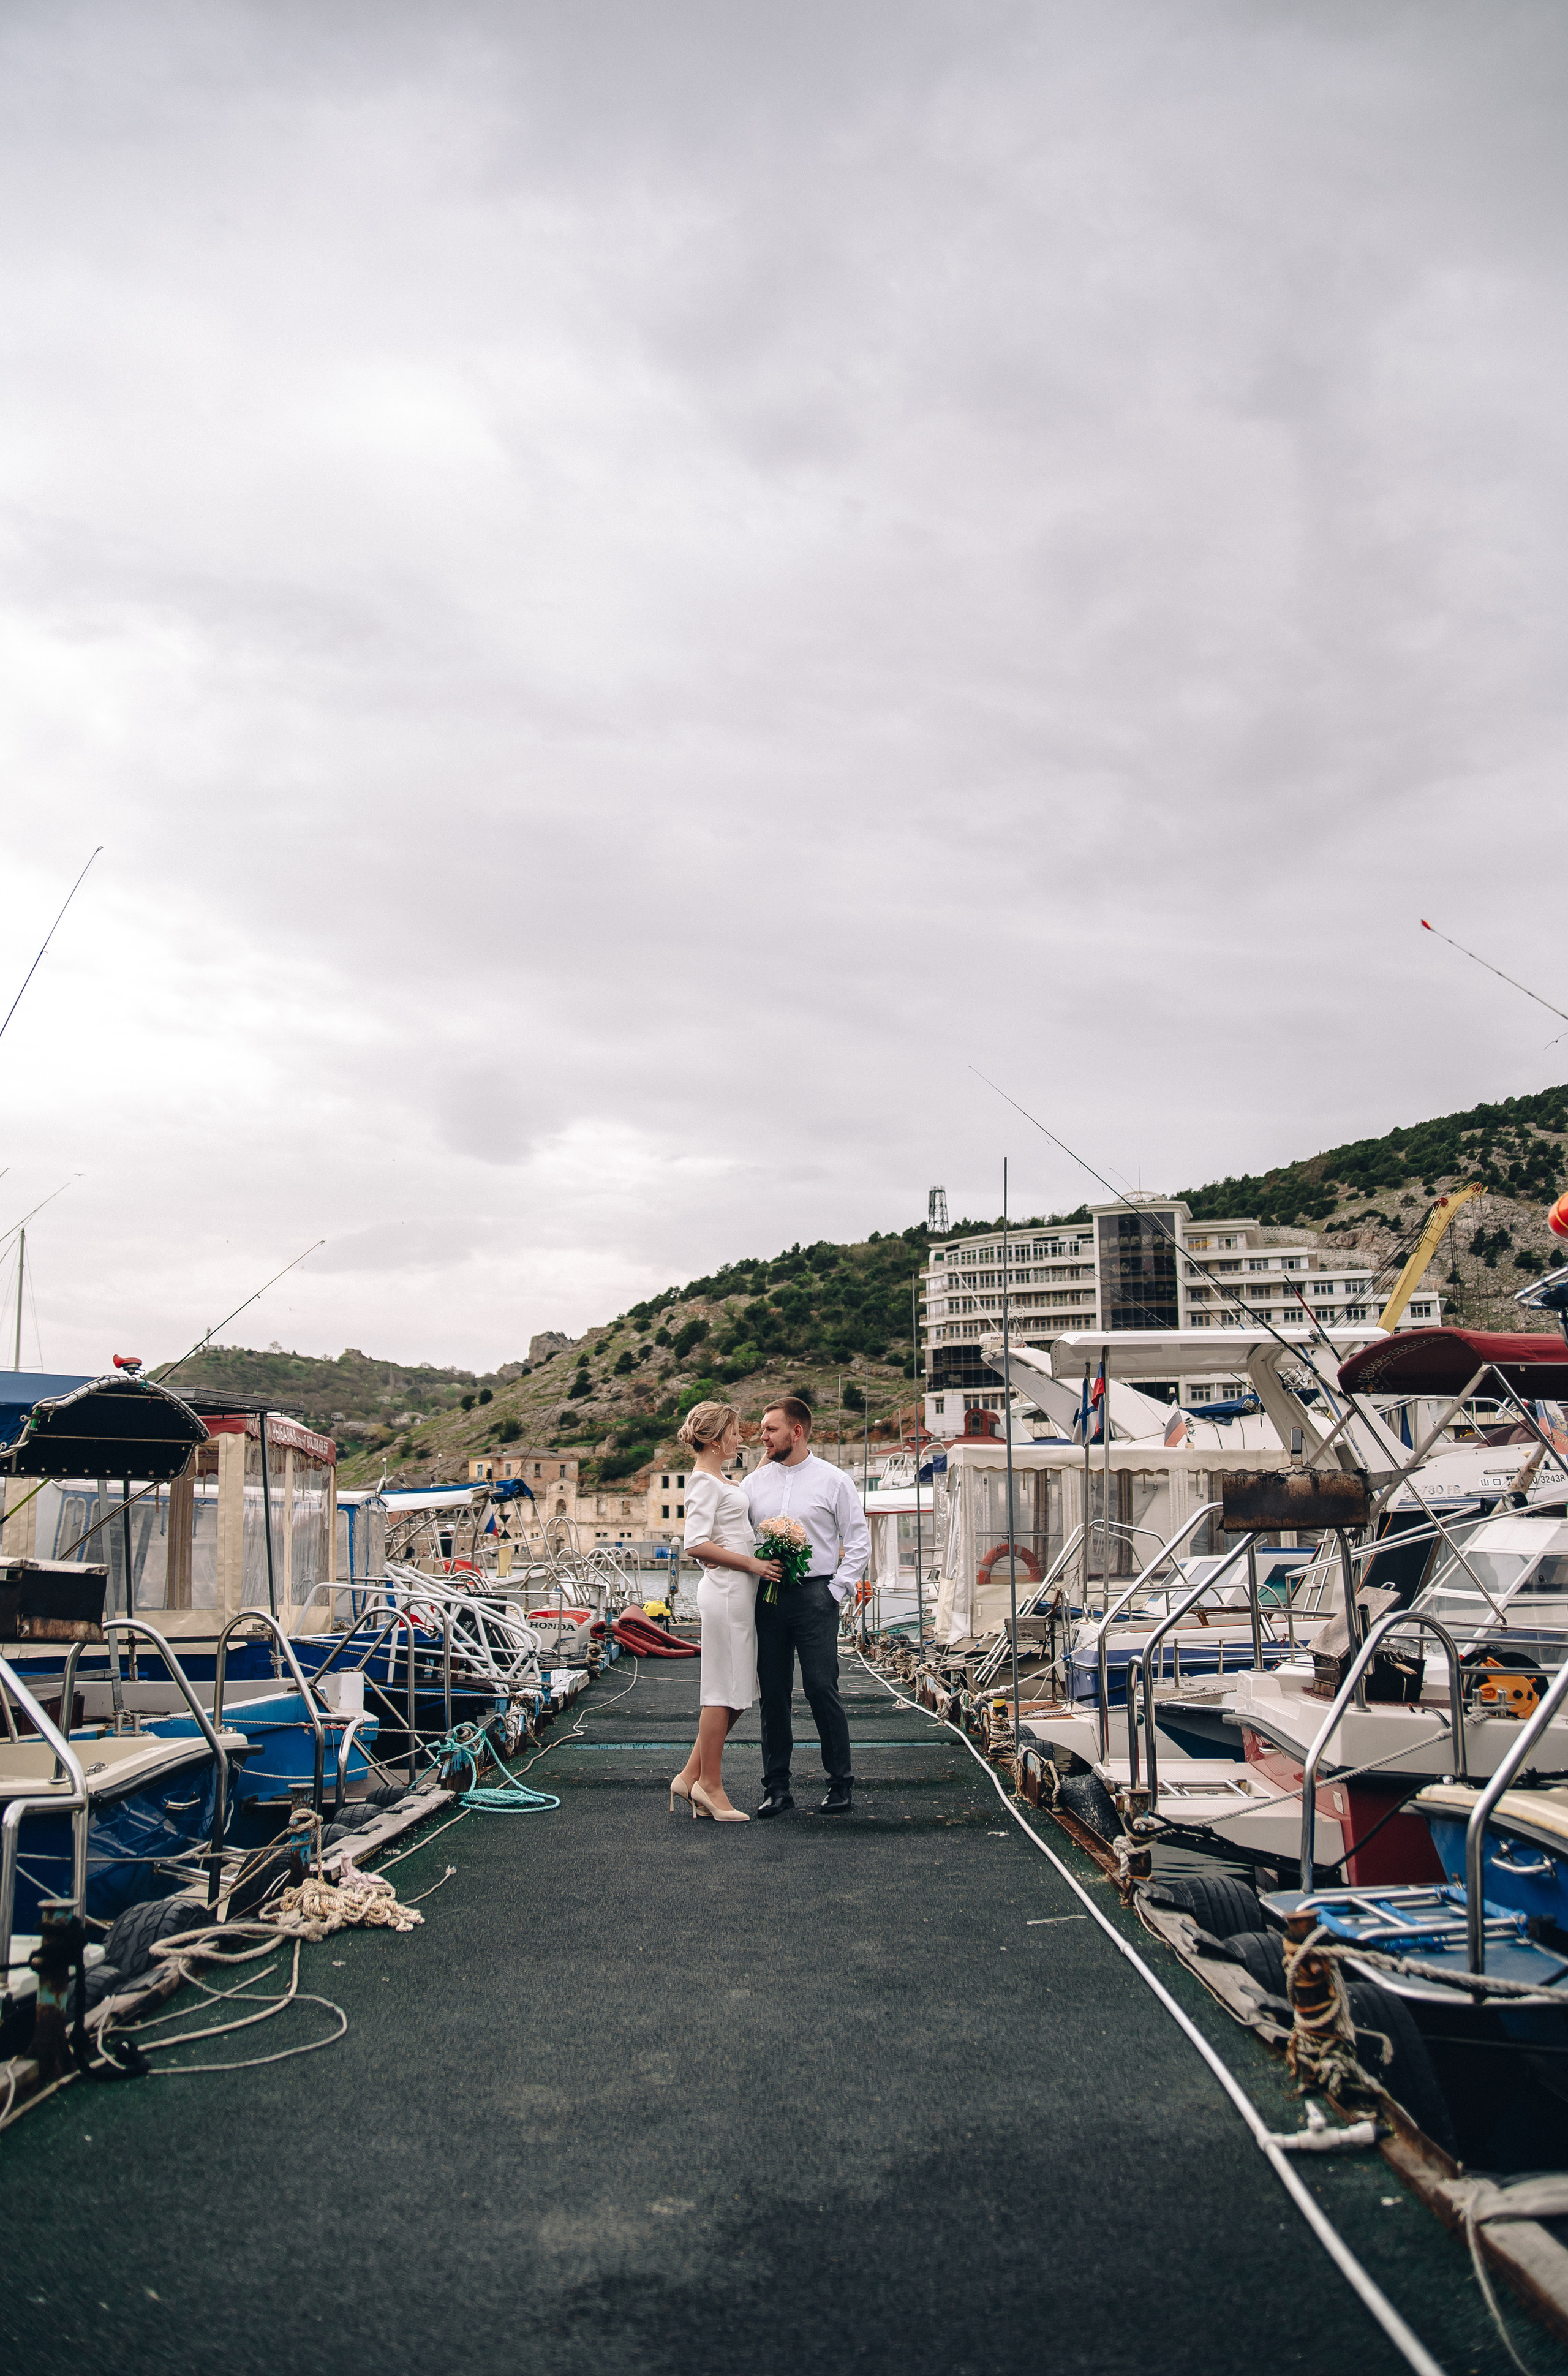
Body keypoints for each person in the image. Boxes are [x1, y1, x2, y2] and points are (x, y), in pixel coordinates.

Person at [744, 1396, 870, 1817]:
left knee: (821, 1688)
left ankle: (840, 1784)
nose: (763, 1436)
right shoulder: (752, 1484)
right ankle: (776, 1788)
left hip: (817, 1595)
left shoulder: (835, 1481)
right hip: (768, 1596)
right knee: (774, 1693)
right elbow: (740, 1540)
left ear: (796, 1432)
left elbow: (857, 1539)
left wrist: (836, 1590)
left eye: (771, 1429)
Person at [671, 1401, 781, 1823]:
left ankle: (690, 1775)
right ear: (717, 1439)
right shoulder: (704, 1482)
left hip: (739, 1593)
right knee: (723, 1690)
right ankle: (709, 1787)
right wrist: (754, 1563)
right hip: (728, 1593)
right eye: (735, 1432)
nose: (741, 1438)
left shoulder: (720, 1479)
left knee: (737, 1689)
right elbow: (695, 1542)